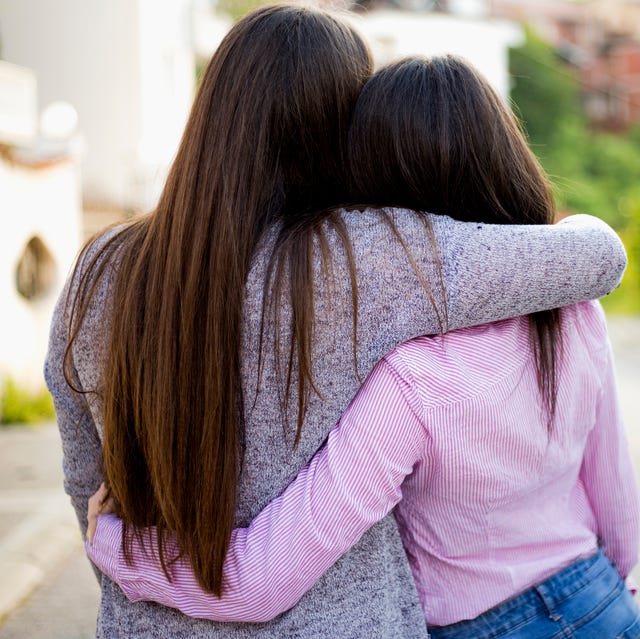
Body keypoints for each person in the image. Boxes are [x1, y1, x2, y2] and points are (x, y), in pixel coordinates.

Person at [45, 5, 626, 635]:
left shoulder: (95, 270)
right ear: (340, 132)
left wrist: (116, 547)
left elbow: (88, 478)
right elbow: (595, 258)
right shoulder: (368, 255)